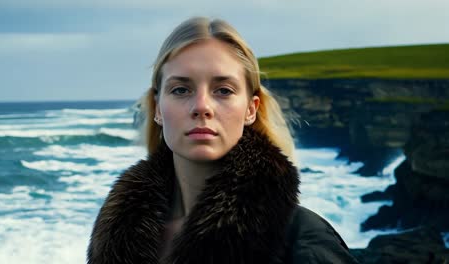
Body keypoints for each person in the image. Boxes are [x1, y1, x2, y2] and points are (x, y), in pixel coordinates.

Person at [87, 17, 359, 264]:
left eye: (223, 90)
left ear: (251, 109)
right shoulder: (116, 239)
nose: (202, 106)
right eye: (181, 89)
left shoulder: (301, 238)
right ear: (157, 108)